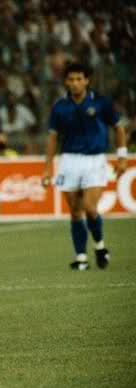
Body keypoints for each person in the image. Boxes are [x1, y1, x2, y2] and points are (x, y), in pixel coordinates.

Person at [42, 62, 127, 270]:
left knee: (90, 208)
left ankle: (99, 246)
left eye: (79, 79)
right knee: (75, 212)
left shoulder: (101, 103)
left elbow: (118, 128)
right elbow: (52, 137)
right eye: (71, 79)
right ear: (65, 81)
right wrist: (48, 167)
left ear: (87, 80)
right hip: (69, 160)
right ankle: (81, 257)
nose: (75, 83)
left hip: (94, 160)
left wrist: (122, 157)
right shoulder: (60, 106)